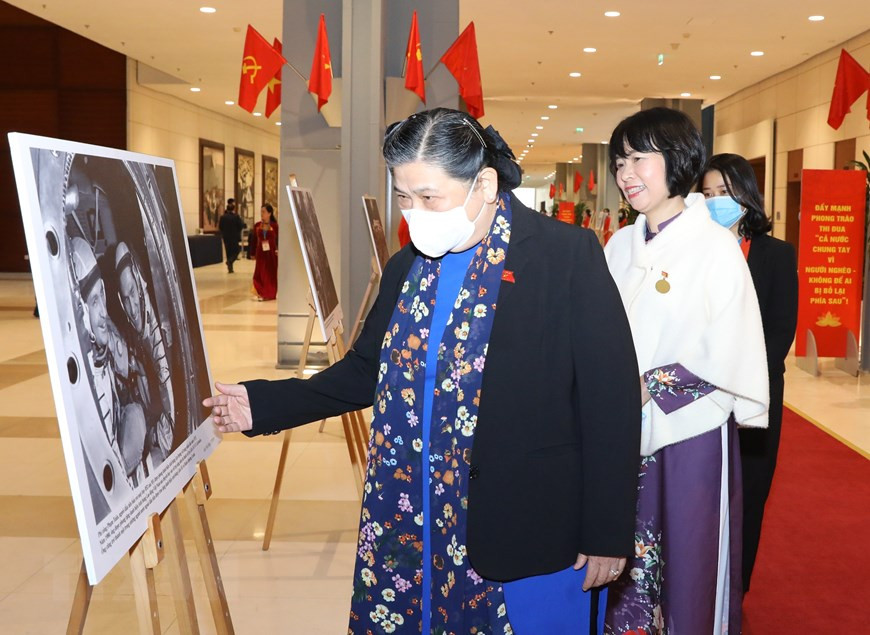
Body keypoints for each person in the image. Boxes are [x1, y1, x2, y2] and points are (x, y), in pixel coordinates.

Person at [204, 107, 642, 633]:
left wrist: (606, 531)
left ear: (483, 183)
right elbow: (366, 370)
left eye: (430, 197)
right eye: (404, 198)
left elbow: (610, 402)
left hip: (524, 519)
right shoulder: (406, 266)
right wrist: (263, 403)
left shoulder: (564, 256)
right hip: (410, 513)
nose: (415, 214)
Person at [602, 108, 769, 635]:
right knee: (623, 562)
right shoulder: (618, 245)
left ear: (676, 161)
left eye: (639, 158)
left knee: (688, 562)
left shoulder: (715, 247)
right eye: (619, 160)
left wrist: (652, 385)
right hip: (623, 431)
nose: (626, 173)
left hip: (689, 433)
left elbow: (734, 345)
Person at [701, 153, 798, 594]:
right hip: (698, 395)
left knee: (750, 496)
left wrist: (740, 376)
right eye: (707, 194)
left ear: (746, 194)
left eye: (724, 192)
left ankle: (736, 590)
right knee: (703, 496)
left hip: (754, 395)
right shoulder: (695, 253)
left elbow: (781, 329)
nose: (715, 201)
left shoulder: (776, 254)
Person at [114, 242, 175, 466]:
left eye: (132, 293)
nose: (131, 307)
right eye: (125, 298)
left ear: (141, 287)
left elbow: (171, 426)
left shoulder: (159, 343)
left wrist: (149, 437)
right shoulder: (133, 334)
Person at [249, 204, 278, 301]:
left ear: (269, 213)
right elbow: (253, 240)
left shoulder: (275, 226)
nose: (262, 214)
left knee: (270, 273)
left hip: (272, 254)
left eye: (264, 212)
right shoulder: (257, 225)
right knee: (260, 273)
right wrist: (252, 253)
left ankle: (270, 293)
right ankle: (260, 292)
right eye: (261, 212)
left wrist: (279, 250)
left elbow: (279, 239)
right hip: (260, 253)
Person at [219, 198, 244, 273]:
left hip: (226, 237)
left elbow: (220, 227)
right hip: (234, 237)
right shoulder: (236, 217)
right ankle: (230, 261)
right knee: (237, 250)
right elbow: (241, 225)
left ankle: (230, 268)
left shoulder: (223, 217)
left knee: (228, 252)